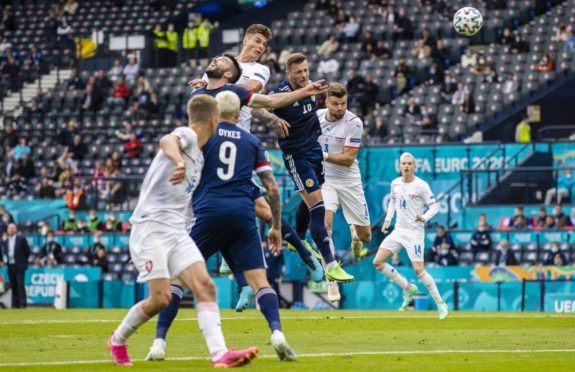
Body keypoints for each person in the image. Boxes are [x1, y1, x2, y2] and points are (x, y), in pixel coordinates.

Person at [109, 94, 258, 367]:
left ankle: (220, 354)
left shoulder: (199, 156)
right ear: (213, 119)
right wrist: (177, 161)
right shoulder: (187, 136)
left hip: (176, 231)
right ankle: (117, 339)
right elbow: (167, 140)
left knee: (205, 286)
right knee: (161, 298)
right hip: (151, 228)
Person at [148, 91, 296, 362]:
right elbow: (272, 188)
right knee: (260, 283)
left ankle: (159, 342)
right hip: (242, 215)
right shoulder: (252, 141)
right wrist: (275, 225)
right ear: (239, 114)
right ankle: (277, 333)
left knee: (178, 279)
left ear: (215, 113)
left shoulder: (204, 137)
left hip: (208, 214)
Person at [188, 48, 325, 307]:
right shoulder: (197, 94)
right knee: (223, 220)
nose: (213, 59)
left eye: (220, 59)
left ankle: (306, 256)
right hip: (205, 170)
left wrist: (305, 92)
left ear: (229, 74)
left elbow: (271, 103)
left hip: (235, 161)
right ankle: (243, 285)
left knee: (263, 212)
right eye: (258, 42)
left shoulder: (236, 91)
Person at [269, 53, 354, 283]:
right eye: (299, 72)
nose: (304, 75)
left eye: (306, 70)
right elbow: (260, 106)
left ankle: (300, 239)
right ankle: (331, 264)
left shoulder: (311, 86)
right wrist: (273, 120)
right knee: (318, 206)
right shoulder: (279, 93)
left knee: (309, 202)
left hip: (315, 151)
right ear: (288, 73)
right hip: (297, 157)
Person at [373, 152, 448, 320]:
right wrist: (387, 220)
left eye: (409, 163)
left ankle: (440, 303)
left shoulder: (421, 185)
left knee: (418, 270)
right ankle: (407, 287)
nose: (406, 166)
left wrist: (425, 217)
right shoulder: (395, 183)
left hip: (415, 233)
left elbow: (434, 207)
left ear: (414, 166)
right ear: (399, 167)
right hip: (398, 230)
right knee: (377, 262)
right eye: (403, 163)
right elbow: (392, 201)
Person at [315, 83, 371, 302]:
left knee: (366, 237)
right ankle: (331, 280)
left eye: (343, 104)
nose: (339, 108)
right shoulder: (316, 117)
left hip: (349, 181)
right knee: (325, 224)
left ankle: (355, 234)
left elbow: (348, 159)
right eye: (335, 103)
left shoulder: (354, 122)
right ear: (327, 102)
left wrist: (323, 156)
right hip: (326, 180)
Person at [0, 223, 31, 308]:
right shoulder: (5, 241)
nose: (11, 230)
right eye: (10, 228)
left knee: (20, 284)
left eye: (13, 228)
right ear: (7, 230)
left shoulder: (21, 239)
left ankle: (23, 303)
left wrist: (21, 260)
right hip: (10, 265)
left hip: (20, 265)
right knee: (13, 285)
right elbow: (4, 253)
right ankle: (15, 304)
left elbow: (27, 252)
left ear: (16, 229)